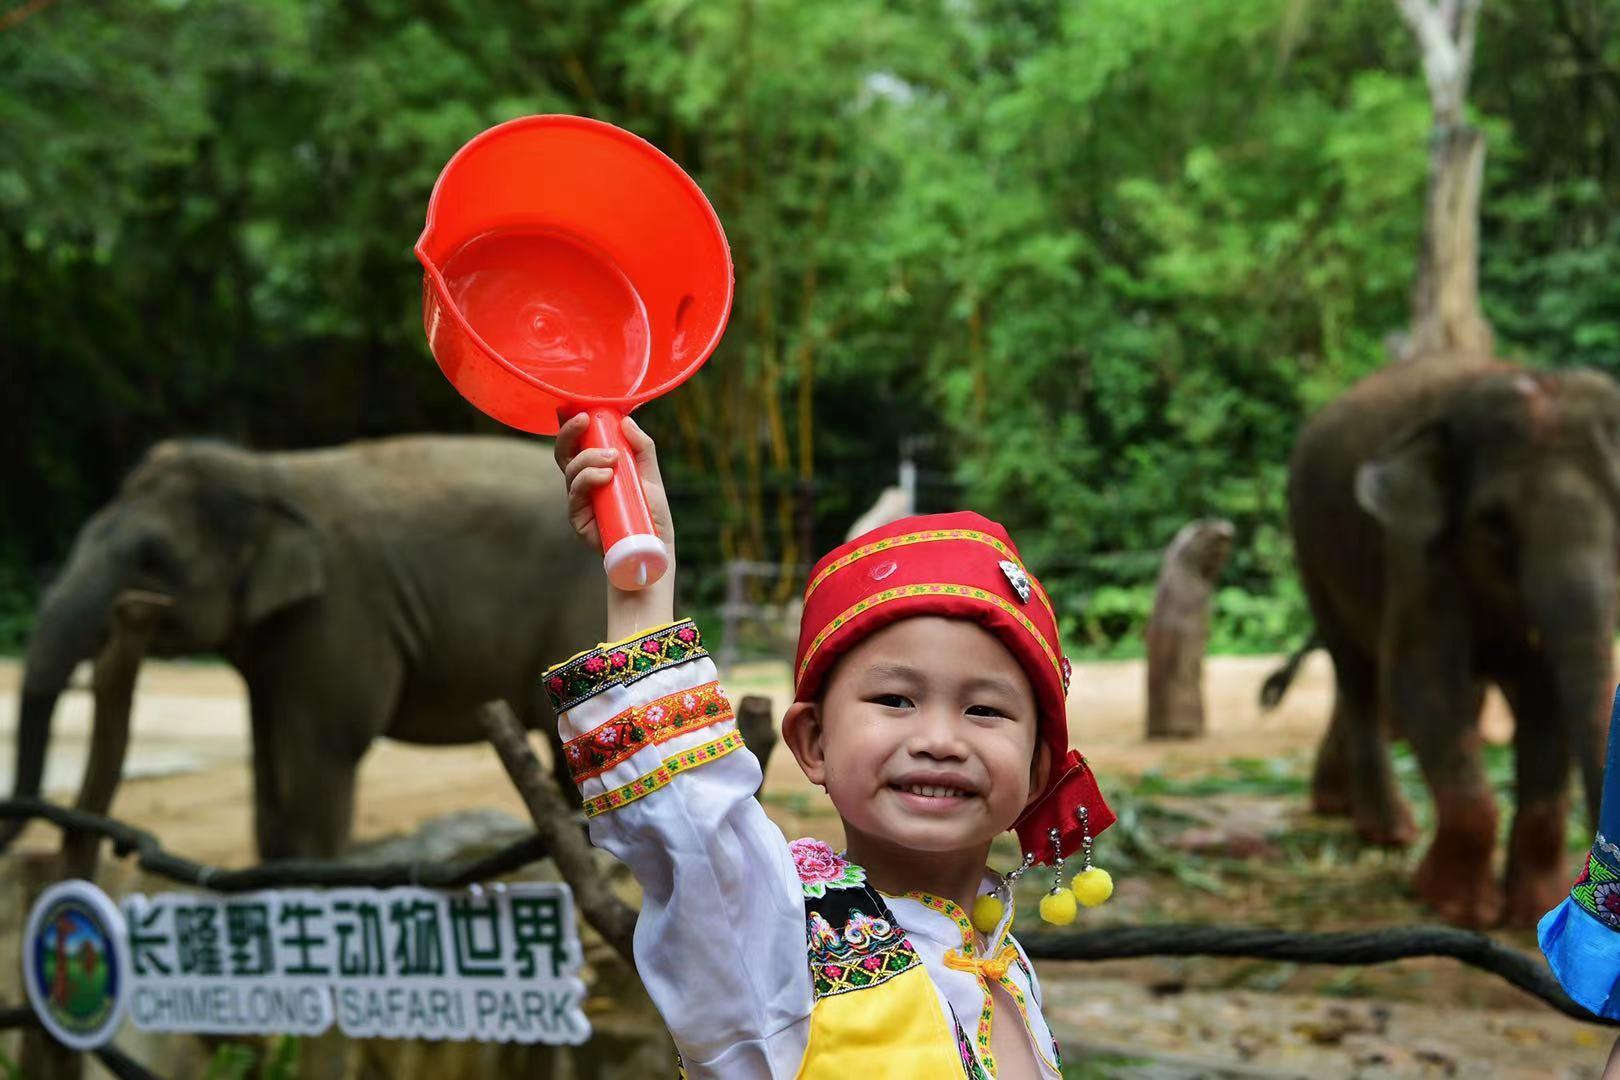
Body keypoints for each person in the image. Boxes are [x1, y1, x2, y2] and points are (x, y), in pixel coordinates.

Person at [544, 413, 1114, 1078]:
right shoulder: (775, 939)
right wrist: (642, 580)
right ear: (812, 741)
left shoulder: (1004, 963)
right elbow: (687, 822)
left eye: (984, 710)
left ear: (1039, 768)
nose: (937, 740)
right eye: (895, 700)